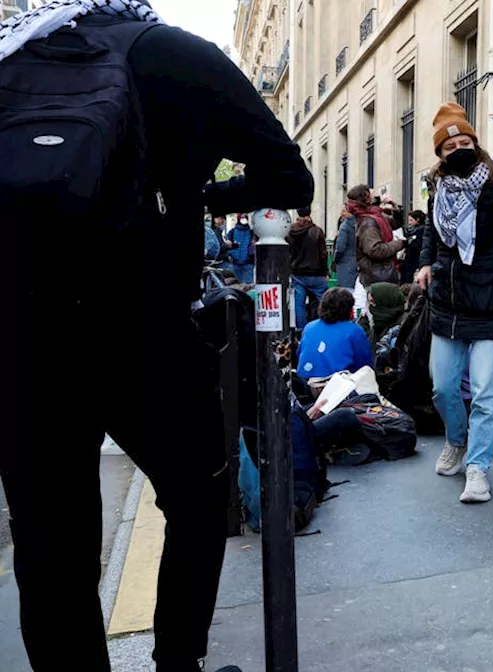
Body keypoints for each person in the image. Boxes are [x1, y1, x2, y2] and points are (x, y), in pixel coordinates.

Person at [0, 2, 313, 671]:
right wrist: (195, 190)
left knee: (50, 540)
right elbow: (289, 176)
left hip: (22, 339)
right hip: (140, 328)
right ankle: (177, 662)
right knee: (199, 499)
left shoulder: (9, 61)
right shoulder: (169, 51)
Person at [412, 102, 493, 504]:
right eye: (451, 147)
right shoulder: (438, 188)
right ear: (441, 156)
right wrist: (426, 262)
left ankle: (479, 467)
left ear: (476, 144)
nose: (459, 150)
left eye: (465, 142)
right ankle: (457, 441)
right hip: (447, 304)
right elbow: (432, 231)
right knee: (443, 389)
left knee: (484, 394)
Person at [298, 287, 374, 380]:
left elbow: (301, 353)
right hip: (338, 384)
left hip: (307, 380)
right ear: (349, 309)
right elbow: (364, 365)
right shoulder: (354, 331)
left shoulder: (309, 327)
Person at [349, 184, 404, 290]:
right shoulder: (368, 222)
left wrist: (395, 207)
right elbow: (375, 250)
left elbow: (396, 223)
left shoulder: (376, 216)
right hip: (378, 277)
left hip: (381, 275)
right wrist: (400, 243)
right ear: (366, 197)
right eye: (370, 191)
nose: (373, 191)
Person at [287, 205, 329, 328]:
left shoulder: (290, 231)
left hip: (297, 273)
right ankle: (325, 327)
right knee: (324, 302)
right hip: (316, 273)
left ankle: (301, 330)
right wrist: (325, 271)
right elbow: (323, 254)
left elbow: (288, 252)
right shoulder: (317, 231)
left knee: (298, 305)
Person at [400, 209, 428, 285]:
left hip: (413, 259)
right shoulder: (418, 230)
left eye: (411, 220)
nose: (409, 223)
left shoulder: (419, 231)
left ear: (417, 220)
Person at [226, 213, 256, 283]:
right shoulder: (232, 232)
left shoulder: (252, 232)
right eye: (242, 218)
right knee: (237, 285)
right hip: (235, 263)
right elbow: (228, 244)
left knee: (248, 285)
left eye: (245, 218)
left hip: (248, 263)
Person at [333, 208, 358, 289]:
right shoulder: (360, 223)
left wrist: (335, 260)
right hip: (358, 263)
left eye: (344, 211)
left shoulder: (344, 227)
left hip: (345, 264)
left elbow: (340, 248)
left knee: (345, 292)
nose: (341, 213)